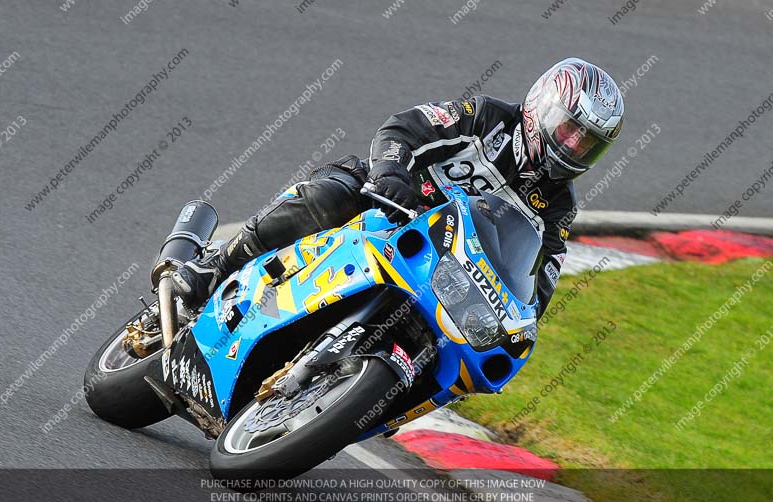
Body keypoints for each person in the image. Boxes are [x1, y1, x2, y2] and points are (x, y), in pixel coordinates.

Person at [172, 57, 624, 317]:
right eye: (569, 129)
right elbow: (404, 129)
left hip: (437, 269)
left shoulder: (558, 207)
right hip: (383, 205)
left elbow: (540, 283)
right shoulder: (487, 118)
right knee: (330, 199)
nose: (572, 146)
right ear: (542, 106)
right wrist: (391, 176)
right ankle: (214, 266)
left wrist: (523, 315)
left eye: (588, 144)